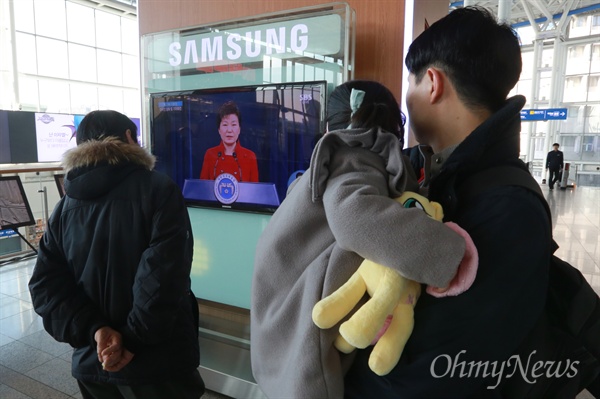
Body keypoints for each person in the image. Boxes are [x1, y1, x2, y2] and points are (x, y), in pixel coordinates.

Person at [344, 7, 554, 397]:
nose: (407, 98)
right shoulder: (425, 173)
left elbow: (435, 370)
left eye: (411, 82)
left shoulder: (510, 209)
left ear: (433, 84)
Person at [251, 80, 477, 398]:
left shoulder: (332, 162)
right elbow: (356, 219)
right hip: (301, 326)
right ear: (395, 129)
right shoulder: (356, 159)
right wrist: (448, 253)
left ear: (329, 125)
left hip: (277, 314)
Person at [28, 110, 205, 399]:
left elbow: (45, 287)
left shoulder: (64, 207)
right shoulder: (158, 190)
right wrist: (132, 340)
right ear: (128, 137)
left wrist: (95, 330)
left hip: (94, 360)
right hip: (159, 362)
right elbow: (163, 276)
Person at [199, 100, 259, 182]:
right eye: (225, 125)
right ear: (219, 130)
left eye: (234, 125)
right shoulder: (210, 154)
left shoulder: (250, 156)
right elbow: (203, 189)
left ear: (239, 129)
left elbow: (254, 191)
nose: (229, 130)